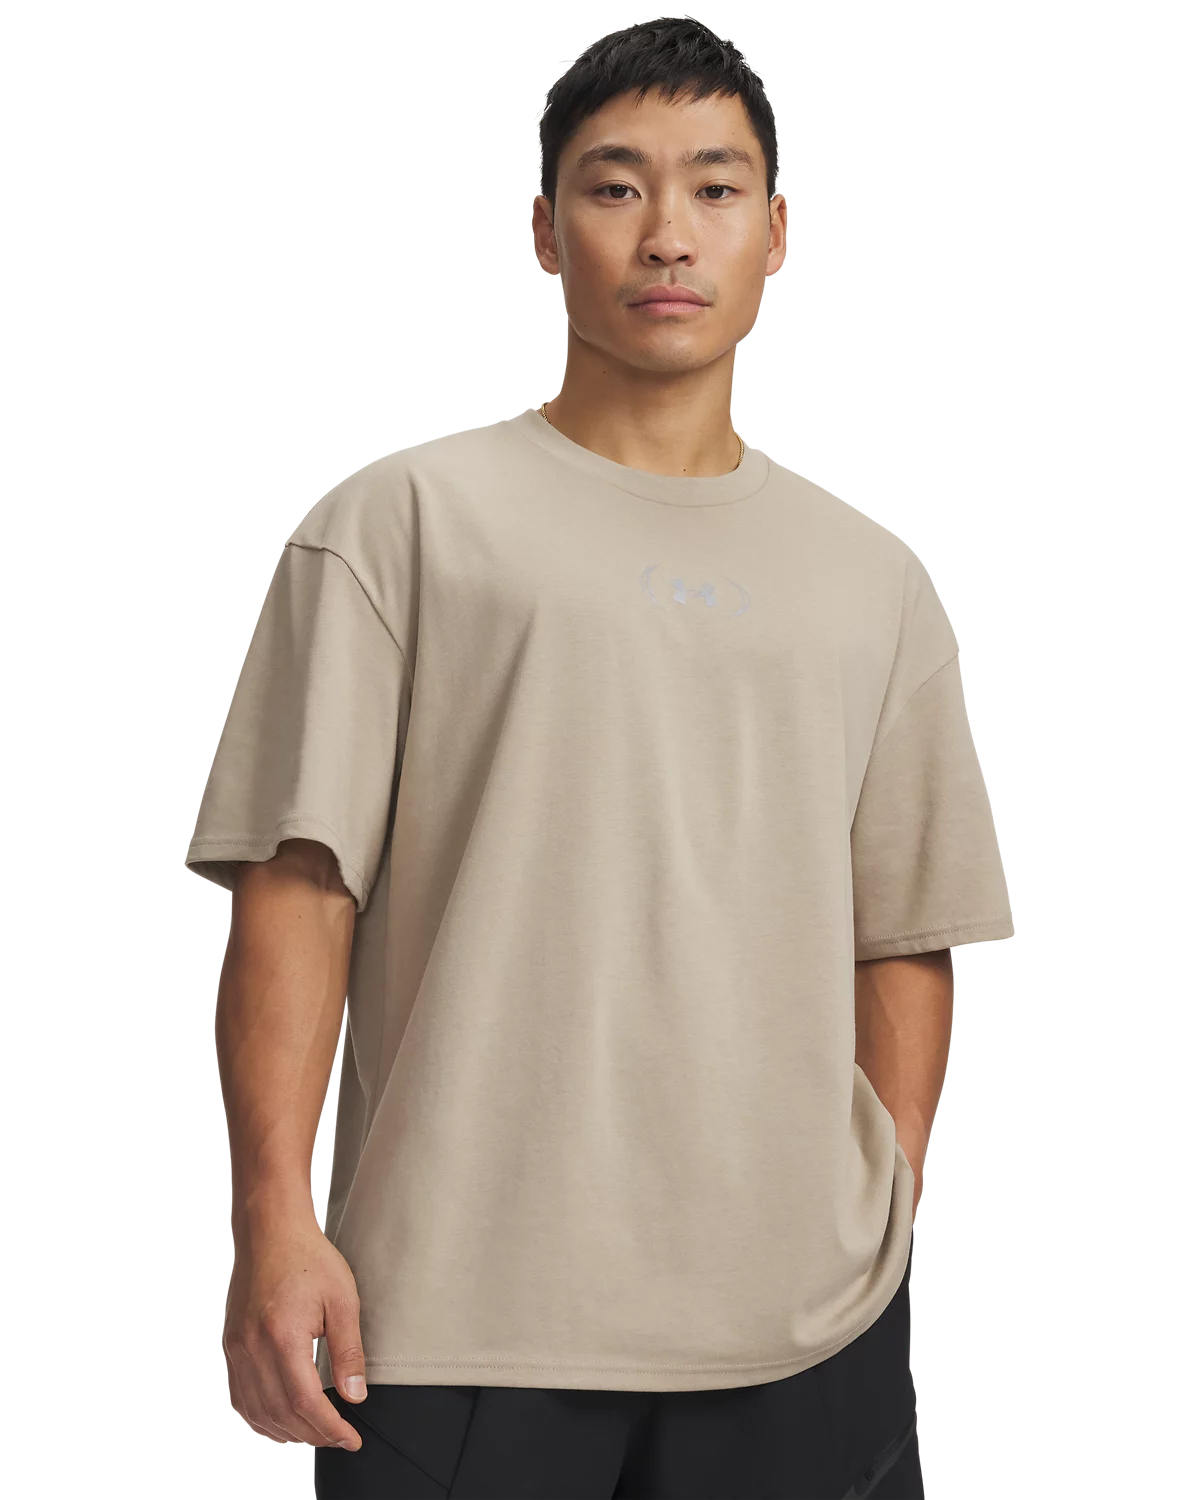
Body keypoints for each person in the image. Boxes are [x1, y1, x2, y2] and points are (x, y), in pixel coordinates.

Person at [183, 15, 1014, 1498]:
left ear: (777, 233)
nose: (667, 233)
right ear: (545, 231)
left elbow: (904, 931)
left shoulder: (874, 581)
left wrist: (881, 1219)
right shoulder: (398, 526)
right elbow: (298, 892)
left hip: (807, 1335)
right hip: (450, 1320)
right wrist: (271, 1220)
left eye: (716, 187)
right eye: (616, 186)